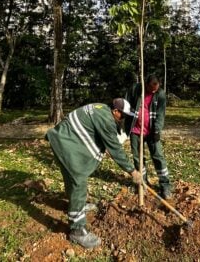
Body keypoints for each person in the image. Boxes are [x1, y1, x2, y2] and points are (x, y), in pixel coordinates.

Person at [45, 98, 142, 249]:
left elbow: (96, 133)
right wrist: (132, 171)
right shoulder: (106, 120)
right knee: (78, 181)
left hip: (63, 137)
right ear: (116, 111)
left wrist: (106, 145)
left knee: (73, 179)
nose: (123, 119)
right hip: (66, 144)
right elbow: (115, 149)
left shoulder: (101, 107)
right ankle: (77, 229)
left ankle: (76, 206)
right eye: (123, 116)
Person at [125, 74, 172, 199]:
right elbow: (126, 105)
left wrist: (156, 130)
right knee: (138, 158)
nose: (154, 91)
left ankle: (165, 185)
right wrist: (125, 125)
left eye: (156, 88)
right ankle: (143, 183)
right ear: (146, 83)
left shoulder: (160, 94)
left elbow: (161, 114)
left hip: (151, 131)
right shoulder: (135, 89)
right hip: (136, 130)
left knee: (158, 156)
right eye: (151, 88)